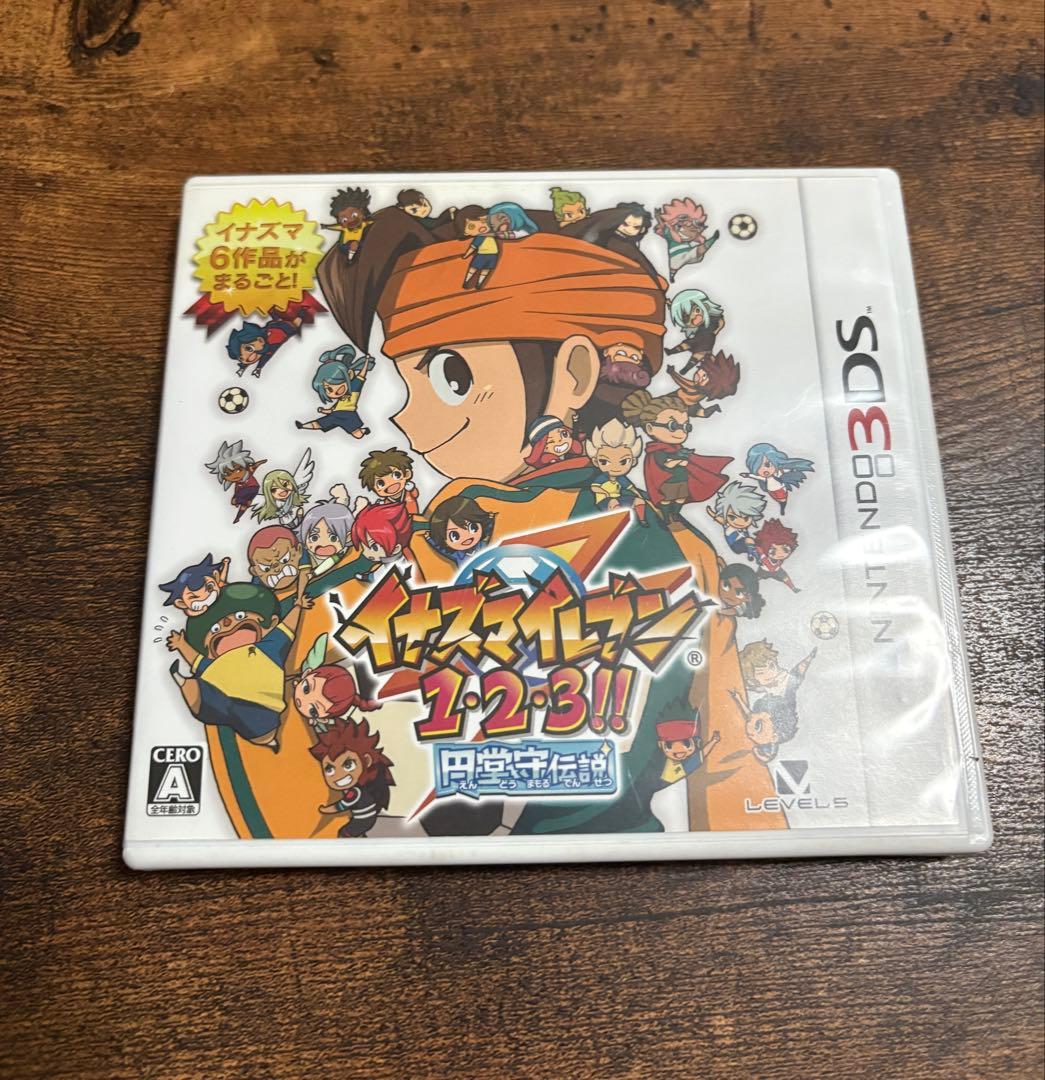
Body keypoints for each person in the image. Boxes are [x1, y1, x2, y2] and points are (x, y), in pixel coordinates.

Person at [165, 582, 313, 751]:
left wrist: (298, 607)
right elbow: (196, 660)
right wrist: (181, 644)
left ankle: (268, 740)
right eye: (215, 628)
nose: (228, 623)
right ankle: (189, 686)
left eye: (241, 616)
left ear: (269, 624)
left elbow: (287, 627)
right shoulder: (216, 665)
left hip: (262, 708)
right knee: (217, 703)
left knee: (228, 708)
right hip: (225, 702)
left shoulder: (268, 648)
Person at [622, 389, 731, 523]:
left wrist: (686, 461)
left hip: (682, 479)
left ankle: (675, 514)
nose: (681, 432)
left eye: (686, 427)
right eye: (673, 426)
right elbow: (665, 464)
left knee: (680, 499)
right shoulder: (657, 450)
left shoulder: (678, 448)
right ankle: (666, 517)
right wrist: (679, 462)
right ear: (650, 428)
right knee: (667, 500)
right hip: (667, 483)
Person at [311, 718, 395, 836]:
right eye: (329, 769)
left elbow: (339, 807)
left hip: (362, 821)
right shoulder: (359, 789)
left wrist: (324, 809)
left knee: (344, 834)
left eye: (348, 765)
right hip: (365, 818)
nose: (338, 775)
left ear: (366, 761)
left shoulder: (355, 792)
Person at [296, 346, 373, 439]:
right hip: (335, 415)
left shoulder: (353, 388)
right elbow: (332, 410)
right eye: (327, 390)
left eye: (334, 385)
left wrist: (366, 361)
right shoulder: (339, 402)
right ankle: (302, 426)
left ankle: (364, 431)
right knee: (319, 423)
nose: (332, 393)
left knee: (358, 435)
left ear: (349, 375)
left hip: (349, 415)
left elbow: (362, 374)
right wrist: (323, 411)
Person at [585, 419, 647, 523]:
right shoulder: (603, 477)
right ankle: (618, 522)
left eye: (623, 461)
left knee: (639, 501)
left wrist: (640, 496)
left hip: (619, 499)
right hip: (604, 501)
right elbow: (594, 487)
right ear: (596, 461)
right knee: (613, 502)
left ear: (633, 461)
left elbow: (631, 488)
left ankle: (642, 520)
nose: (615, 467)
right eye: (604, 461)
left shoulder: (621, 478)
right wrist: (605, 493)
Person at [653, 197, 719, 281]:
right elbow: (677, 238)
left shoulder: (687, 234)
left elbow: (696, 237)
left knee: (696, 252)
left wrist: (699, 237)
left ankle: (712, 240)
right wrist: (660, 219)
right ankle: (713, 239)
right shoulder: (669, 233)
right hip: (677, 257)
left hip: (689, 253)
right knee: (684, 259)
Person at [225, 311, 306, 379]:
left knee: (294, 323)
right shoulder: (263, 346)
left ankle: (301, 313)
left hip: (284, 328)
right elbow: (255, 357)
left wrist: (258, 368)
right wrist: (248, 368)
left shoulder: (262, 342)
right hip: (278, 328)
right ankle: (280, 316)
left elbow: (264, 357)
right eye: (241, 359)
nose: (250, 358)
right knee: (285, 323)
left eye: (249, 349)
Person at [740, 442, 814, 514]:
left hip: (780, 489)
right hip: (771, 491)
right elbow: (757, 477)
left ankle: (782, 508)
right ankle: (782, 506)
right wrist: (748, 475)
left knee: (782, 500)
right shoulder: (765, 479)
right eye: (758, 467)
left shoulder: (778, 473)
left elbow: (787, 470)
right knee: (779, 500)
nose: (764, 470)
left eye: (767, 464)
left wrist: (794, 469)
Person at [665, 289, 725, 376]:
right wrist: (671, 305)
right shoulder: (701, 321)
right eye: (687, 318)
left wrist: (716, 331)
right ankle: (670, 352)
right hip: (698, 336)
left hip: (708, 339)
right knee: (686, 344)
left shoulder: (713, 317)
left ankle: (685, 369)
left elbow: (721, 323)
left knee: (698, 354)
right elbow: (681, 312)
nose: (694, 317)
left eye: (697, 310)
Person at [204, 440, 266, 523]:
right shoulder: (238, 483)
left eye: (238, 470)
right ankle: (238, 517)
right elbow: (237, 491)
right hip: (251, 491)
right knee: (242, 504)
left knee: (235, 500)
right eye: (228, 474)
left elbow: (254, 466)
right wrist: (237, 501)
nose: (234, 475)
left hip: (252, 487)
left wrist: (261, 462)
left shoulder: (248, 472)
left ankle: (244, 502)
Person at [424, 496, 495, 568]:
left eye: (473, 528)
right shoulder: (457, 554)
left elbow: (488, 531)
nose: (466, 536)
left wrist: (490, 519)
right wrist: (429, 539)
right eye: (455, 536)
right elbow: (440, 548)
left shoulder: (482, 545)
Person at [250, 449, 314, 529]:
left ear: (292, 483)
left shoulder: (293, 496)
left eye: (285, 484)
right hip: (286, 519)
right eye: (274, 490)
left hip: (294, 513)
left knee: (300, 519)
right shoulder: (273, 502)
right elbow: (250, 499)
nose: (282, 490)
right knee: (291, 526)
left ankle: (300, 522)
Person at [706, 481, 767, 560]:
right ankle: (752, 555)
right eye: (732, 517)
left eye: (746, 518)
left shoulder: (744, 528)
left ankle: (759, 556)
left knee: (758, 543)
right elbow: (719, 518)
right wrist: (711, 512)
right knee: (749, 540)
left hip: (745, 544)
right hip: (735, 545)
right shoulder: (727, 524)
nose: (740, 522)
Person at [158, 554, 230, 614]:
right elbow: (190, 613)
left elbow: (222, 579)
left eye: (210, 587)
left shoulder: (221, 587)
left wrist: (226, 565)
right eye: (193, 597)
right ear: (181, 603)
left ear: (216, 577)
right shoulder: (191, 611)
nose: (205, 597)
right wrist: (201, 611)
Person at [358, 448, 419, 515]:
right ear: (374, 489)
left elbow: (415, 494)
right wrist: (382, 505)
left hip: (414, 516)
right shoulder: (388, 501)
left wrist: (412, 489)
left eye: (397, 475)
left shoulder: (407, 492)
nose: (390, 483)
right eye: (381, 483)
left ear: (407, 474)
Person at [322, 186, 372, 263]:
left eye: (354, 215)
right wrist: (325, 226)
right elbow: (335, 227)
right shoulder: (344, 228)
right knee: (354, 244)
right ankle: (350, 259)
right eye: (344, 220)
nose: (350, 220)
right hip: (346, 245)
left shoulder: (364, 224)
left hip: (361, 243)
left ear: (362, 211)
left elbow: (374, 222)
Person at [753, 519, 800, 592]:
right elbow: (771, 568)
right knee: (755, 578)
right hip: (764, 571)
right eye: (773, 550)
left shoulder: (779, 559)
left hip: (777, 570)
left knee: (785, 578)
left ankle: (793, 588)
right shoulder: (764, 557)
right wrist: (778, 563)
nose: (780, 554)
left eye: (785, 549)